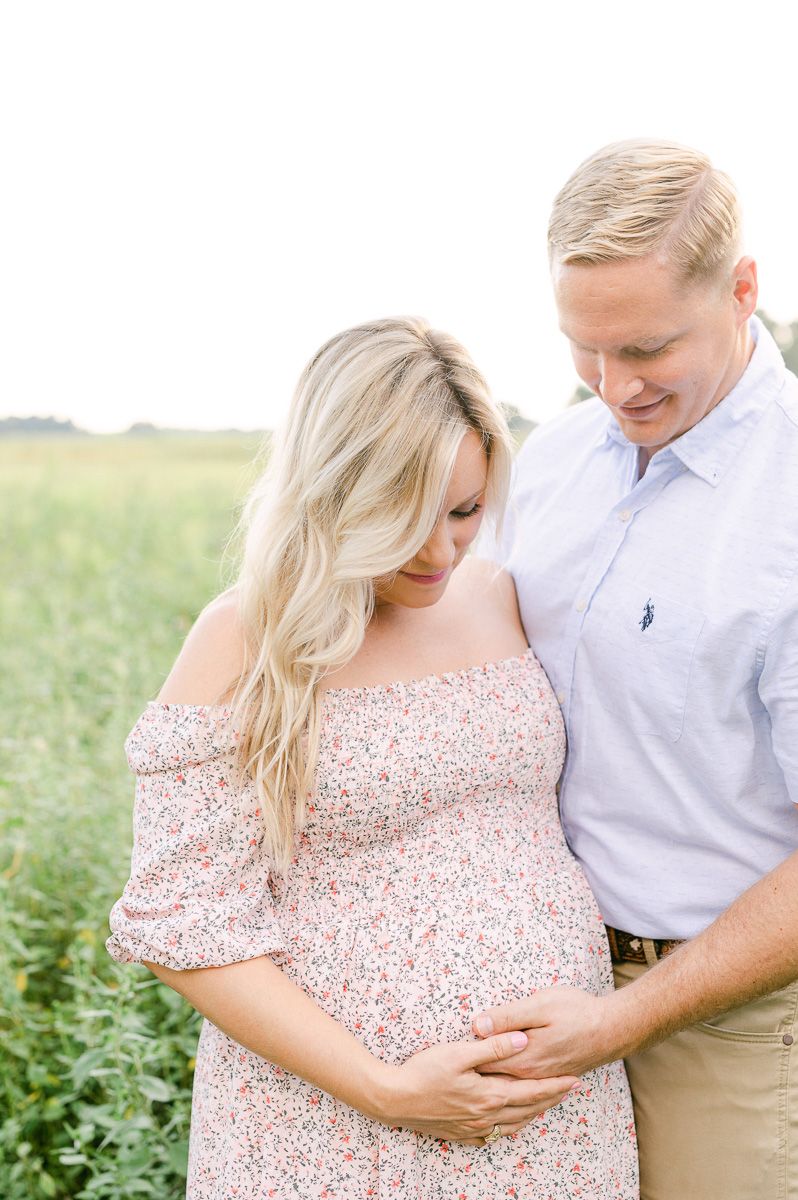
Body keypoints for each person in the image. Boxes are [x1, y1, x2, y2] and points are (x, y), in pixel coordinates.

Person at [106, 317, 638, 1200]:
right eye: (401, 520)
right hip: (330, 1129)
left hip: (552, 1128)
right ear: (335, 492)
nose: (439, 552)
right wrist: (386, 1089)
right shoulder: (248, 638)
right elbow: (181, 920)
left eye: (465, 511)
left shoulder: (500, 593)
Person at [470, 139, 798, 1199]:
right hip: (522, 988)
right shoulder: (554, 461)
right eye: (584, 349)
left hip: (730, 1028)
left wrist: (619, 1018)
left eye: (648, 348)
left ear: (744, 290)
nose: (615, 387)